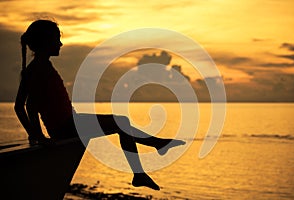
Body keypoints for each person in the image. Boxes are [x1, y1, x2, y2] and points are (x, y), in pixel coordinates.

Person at [14, 19, 185, 191]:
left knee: (121, 122)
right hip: (65, 128)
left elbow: (24, 106)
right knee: (120, 122)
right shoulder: (38, 70)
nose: (60, 43)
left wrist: (35, 134)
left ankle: (154, 149)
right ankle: (144, 165)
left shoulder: (41, 67)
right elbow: (27, 107)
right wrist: (38, 137)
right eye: (56, 39)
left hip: (71, 121)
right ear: (45, 42)